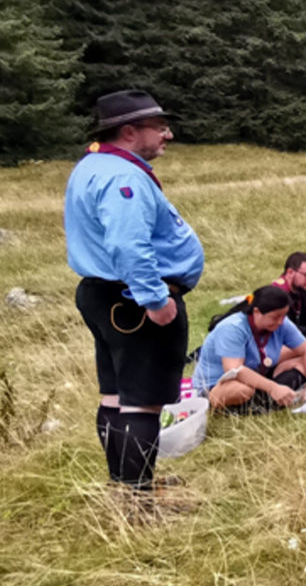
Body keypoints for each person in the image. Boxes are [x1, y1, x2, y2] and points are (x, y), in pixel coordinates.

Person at [66, 90, 204, 493]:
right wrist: (155, 300)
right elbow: (128, 244)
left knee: (116, 397)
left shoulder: (93, 164)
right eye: (159, 126)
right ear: (128, 131)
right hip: (132, 302)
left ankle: (125, 485)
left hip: (105, 296)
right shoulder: (123, 176)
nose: (168, 134)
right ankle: (138, 502)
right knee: (143, 403)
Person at [193, 286, 306, 412]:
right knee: (242, 390)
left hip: (257, 375)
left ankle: (268, 399)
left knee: (303, 364)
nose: (281, 321)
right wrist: (273, 387)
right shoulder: (233, 328)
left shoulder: (281, 323)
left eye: (284, 315)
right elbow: (235, 370)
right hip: (221, 385)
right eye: (275, 317)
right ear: (257, 312)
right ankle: (266, 401)